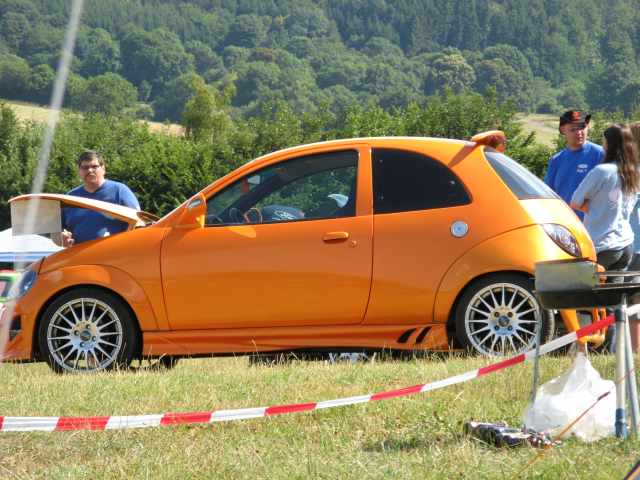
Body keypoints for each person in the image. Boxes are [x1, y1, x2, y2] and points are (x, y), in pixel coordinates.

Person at [59, 150, 140, 247]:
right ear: (79, 171)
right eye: (85, 167)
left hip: (114, 255)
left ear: (103, 169)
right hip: (79, 257)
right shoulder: (70, 198)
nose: (90, 170)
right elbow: (60, 231)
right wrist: (62, 238)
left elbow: (138, 222)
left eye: (94, 166)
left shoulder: (120, 191)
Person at [544, 110, 604, 220]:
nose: (579, 132)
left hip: (593, 225)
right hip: (565, 224)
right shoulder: (556, 160)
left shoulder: (600, 154)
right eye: (573, 129)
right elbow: (548, 193)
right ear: (563, 130)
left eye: (582, 127)